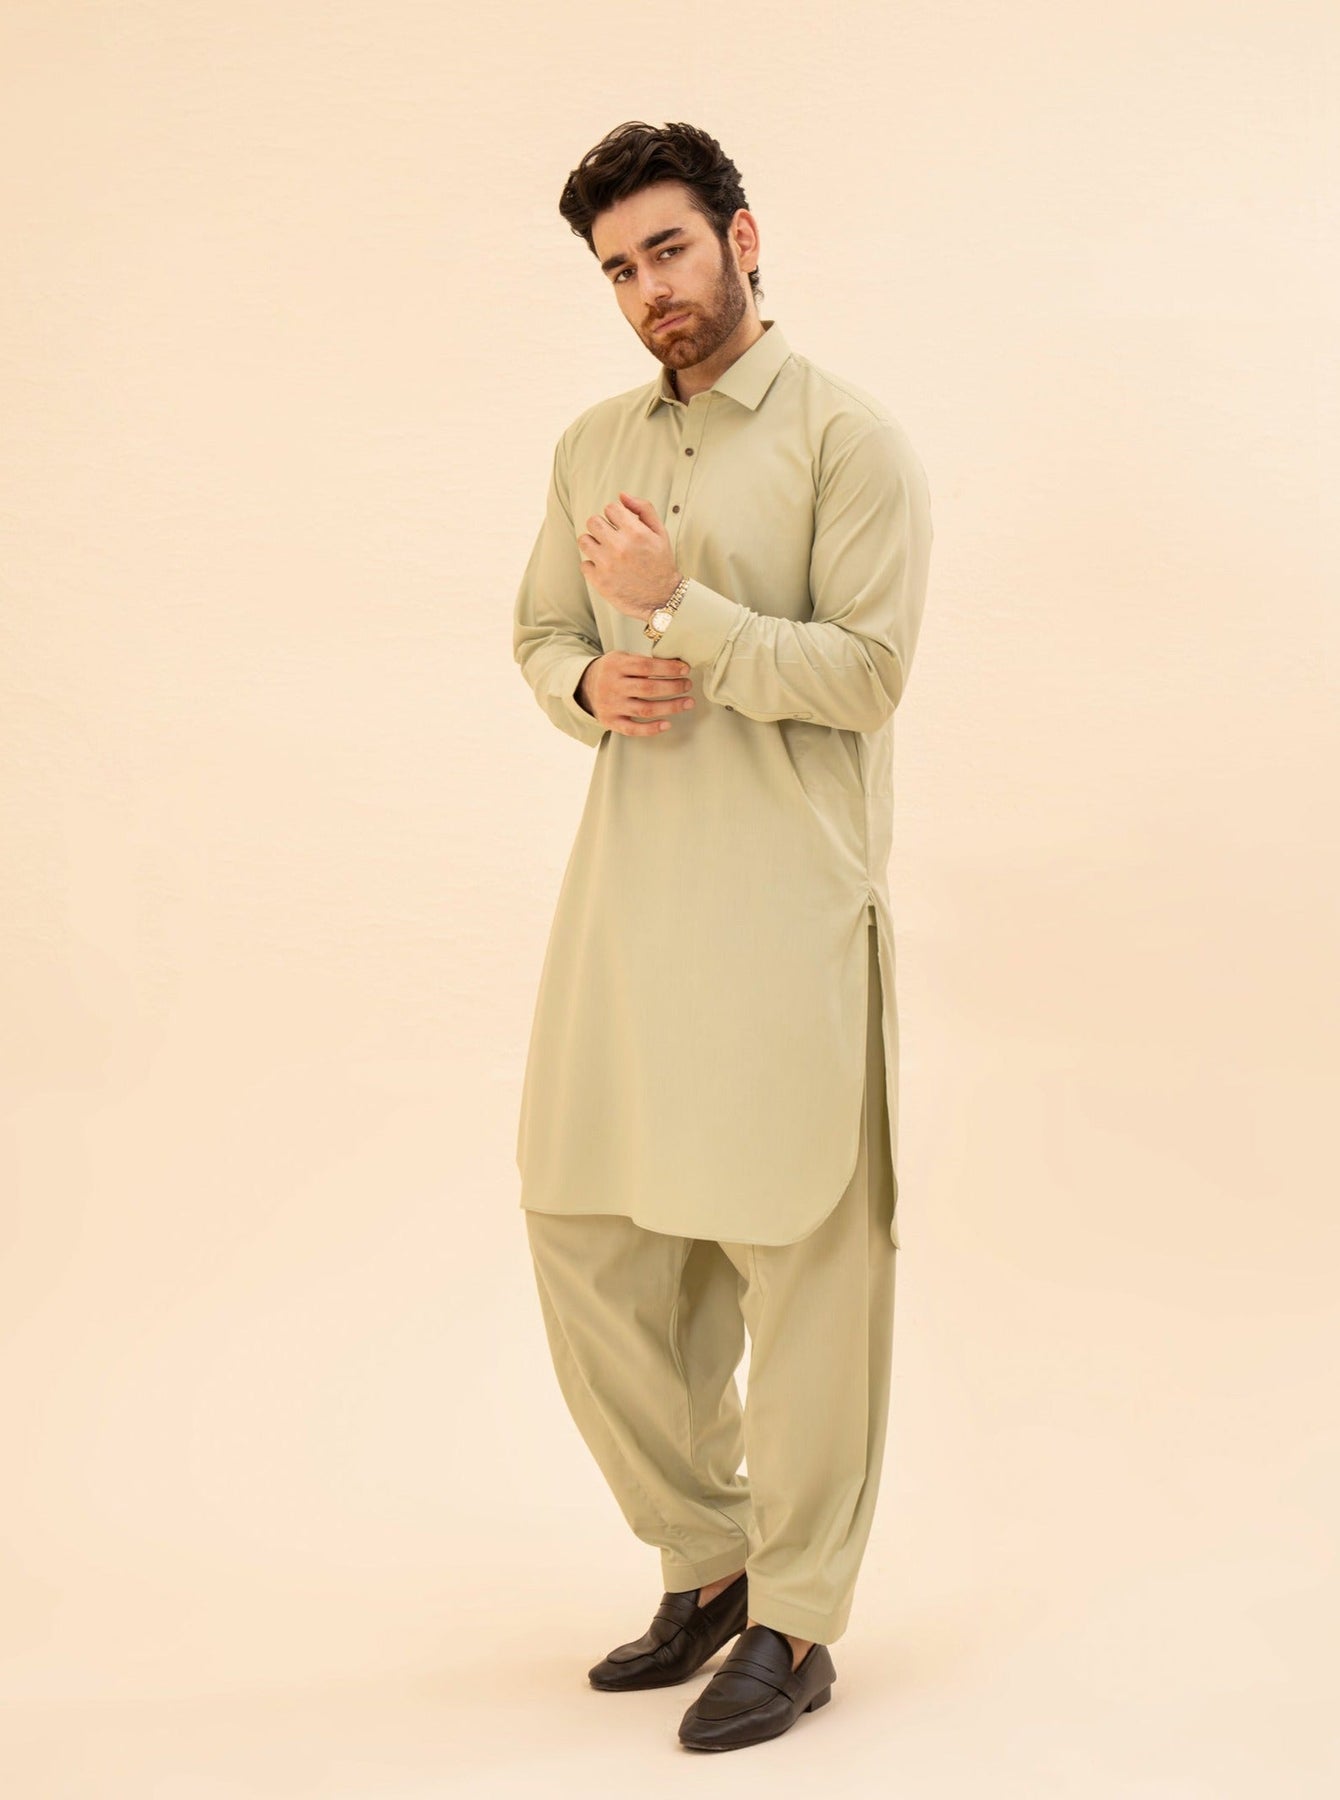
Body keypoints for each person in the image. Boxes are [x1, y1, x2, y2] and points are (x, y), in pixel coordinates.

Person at [511, 119, 933, 1753]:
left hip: (786, 911)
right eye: (619, 269)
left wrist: (684, 608)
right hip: (628, 905)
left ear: (743, 239)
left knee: (802, 1259)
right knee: (586, 1225)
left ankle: (801, 1616)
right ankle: (711, 1556)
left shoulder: (849, 442)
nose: (648, 291)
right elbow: (542, 628)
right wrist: (587, 681)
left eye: (670, 250)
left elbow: (868, 677)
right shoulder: (593, 444)